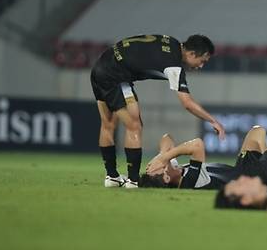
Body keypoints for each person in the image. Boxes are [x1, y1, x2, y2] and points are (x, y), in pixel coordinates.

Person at [90, 33, 226, 189]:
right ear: (191, 53)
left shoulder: (172, 42)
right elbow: (187, 103)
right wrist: (213, 120)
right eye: (202, 61)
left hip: (100, 66)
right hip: (115, 76)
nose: (200, 66)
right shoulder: (174, 65)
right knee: (135, 126)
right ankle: (133, 181)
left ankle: (112, 176)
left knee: (107, 124)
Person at [139, 123, 267, 189]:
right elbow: (197, 145)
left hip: (242, 171)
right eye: (162, 167)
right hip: (258, 180)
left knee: (257, 131)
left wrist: (162, 155)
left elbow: (166, 138)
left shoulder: (174, 170)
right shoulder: (189, 180)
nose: (166, 162)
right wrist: (164, 158)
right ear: (167, 177)